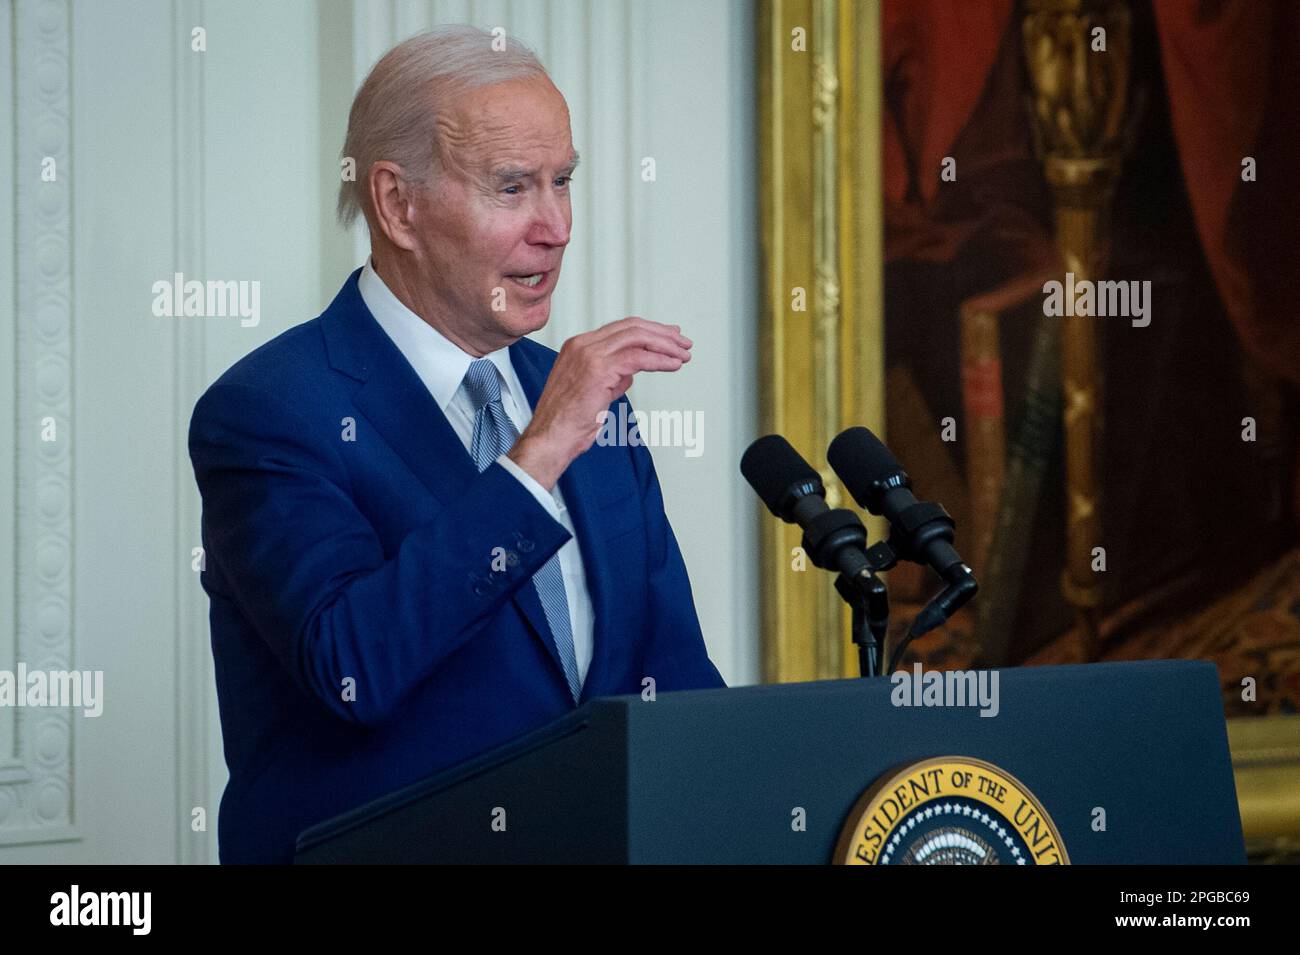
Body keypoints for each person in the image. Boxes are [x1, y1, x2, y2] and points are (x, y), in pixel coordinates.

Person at [187, 25, 726, 865]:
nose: (555, 227)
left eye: (563, 181)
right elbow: (351, 668)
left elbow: (674, 680)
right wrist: (535, 457)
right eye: (513, 188)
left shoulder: (585, 397)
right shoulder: (269, 410)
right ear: (397, 204)